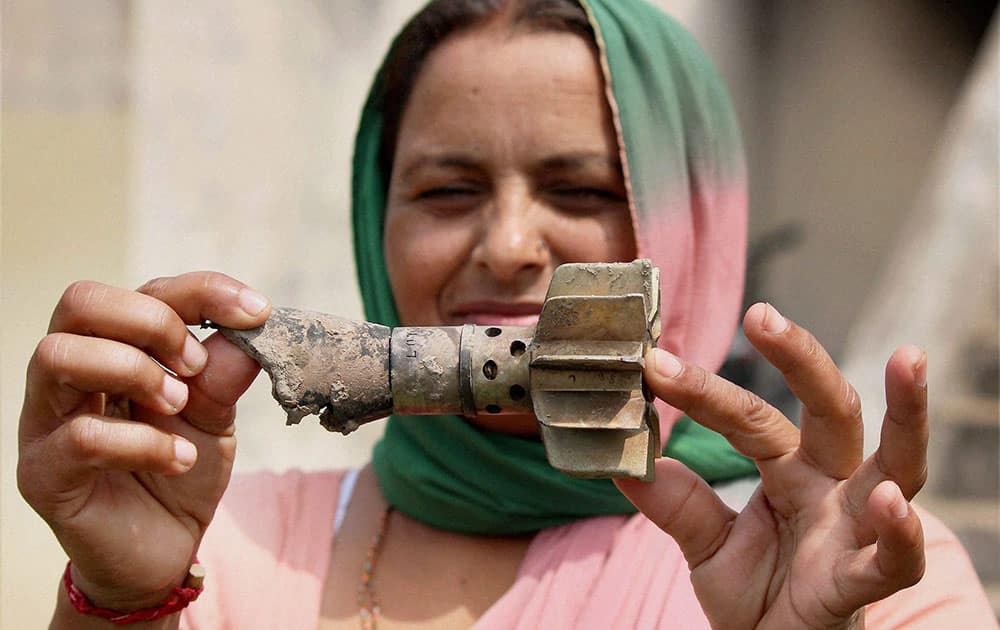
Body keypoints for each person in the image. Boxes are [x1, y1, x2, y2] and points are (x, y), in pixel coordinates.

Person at [17, 0, 995, 628]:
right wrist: (122, 604)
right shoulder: (212, 551)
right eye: (446, 191)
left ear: (693, 233)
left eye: (578, 191)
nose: (507, 246)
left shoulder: (860, 573)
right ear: (372, 222)